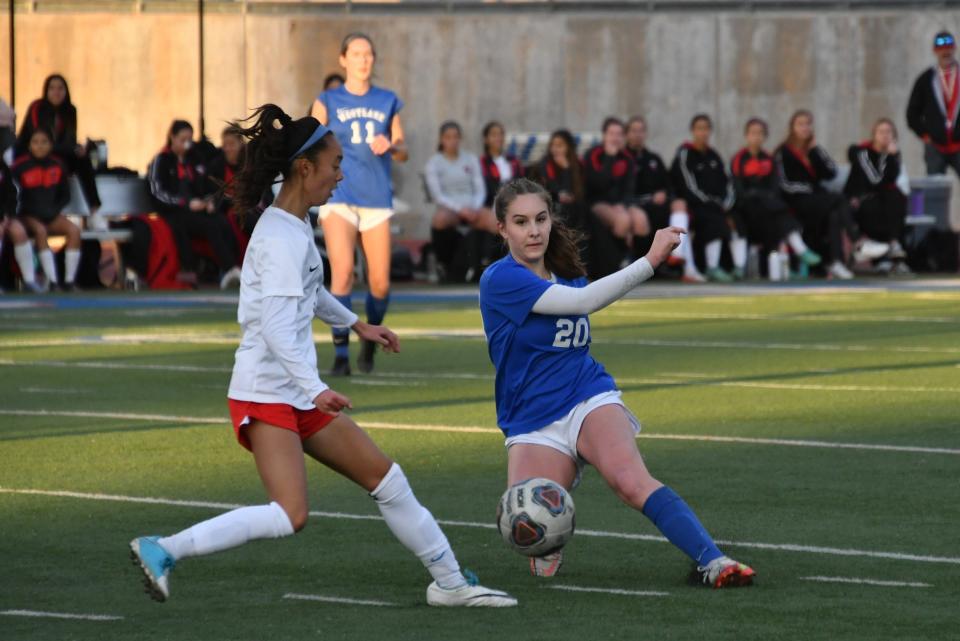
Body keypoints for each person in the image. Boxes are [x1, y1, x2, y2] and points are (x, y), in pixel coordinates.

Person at [129, 104, 516, 609]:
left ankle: (450, 582)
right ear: (305, 168)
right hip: (266, 393)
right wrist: (316, 389)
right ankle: (163, 548)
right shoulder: (280, 235)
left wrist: (357, 324)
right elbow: (273, 330)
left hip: (298, 391)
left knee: (386, 478)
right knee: (291, 514)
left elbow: (311, 291)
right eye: (335, 165)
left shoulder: (293, 221)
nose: (340, 175)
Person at [478, 177, 755, 587]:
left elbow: (579, 299)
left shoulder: (566, 269)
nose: (534, 230)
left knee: (631, 482)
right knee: (526, 525)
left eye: (540, 218)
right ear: (502, 229)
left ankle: (713, 561)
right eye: (520, 222)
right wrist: (650, 261)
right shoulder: (500, 280)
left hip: (587, 394)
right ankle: (556, 514)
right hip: (531, 418)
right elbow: (582, 303)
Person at [310, 33, 407, 377]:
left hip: (376, 196)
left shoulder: (387, 99)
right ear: (343, 59)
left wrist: (391, 145)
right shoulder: (327, 99)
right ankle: (340, 353)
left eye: (368, 54)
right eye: (356, 53)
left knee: (380, 283)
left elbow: (402, 148)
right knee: (344, 272)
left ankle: (370, 335)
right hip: (340, 196)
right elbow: (311, 142)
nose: (363, 60)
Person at [774, 110, 889, 280]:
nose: (805, 128)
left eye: (808, 124)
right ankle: (858, 242)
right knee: (838, 199)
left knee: (835, 214)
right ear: (792, 127)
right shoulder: (783, 152)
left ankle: (837, 262)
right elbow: (784, 183)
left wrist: (815, 151)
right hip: (797, 201)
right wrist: (809, 189)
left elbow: (831, 172)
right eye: (800, 124)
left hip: (817, 201)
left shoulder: (813, 150)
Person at [148, 119, 241, 289]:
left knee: (221, 221)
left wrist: (210, 201)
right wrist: (186, 203)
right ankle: (229, 269)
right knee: (209, 225)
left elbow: (206, 185)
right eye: (182, 139)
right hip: (174, 212)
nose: (186, 144)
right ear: (172, 137)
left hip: (196, 210)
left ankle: (229, 268)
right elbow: (158, 192)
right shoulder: (161, 160)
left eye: (189, 139)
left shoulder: (194, 159)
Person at [730, 118, 820, 269]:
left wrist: (766, 197)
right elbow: (738, 189)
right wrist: (757, 195)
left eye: (760, 133)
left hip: (768, 208)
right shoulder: (739, 159)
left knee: (780, 214)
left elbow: (774, 187)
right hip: (747, 209)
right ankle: (740, 266)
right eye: (753, 133)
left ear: (765, 136)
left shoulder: (769, 159)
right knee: (774, 212)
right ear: (746, 135)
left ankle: (796, 255)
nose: (756, 137)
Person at [624, 116, 702, 281]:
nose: (638, 135)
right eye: (634, 131)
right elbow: (624, 193)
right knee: (639, 219)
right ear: (627, 134)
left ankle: (678, 256)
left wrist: (664, 195)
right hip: (637, 207)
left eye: (641, 131)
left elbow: (669, 187)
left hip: (659, 207)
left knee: (680, 204)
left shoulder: (654, 159)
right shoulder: (623, 159)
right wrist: (650, 198)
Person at [670, 114, 746, 281]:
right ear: (693, 131)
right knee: (715, 220)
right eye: (699, 128)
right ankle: (712, 267)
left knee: (736, 219)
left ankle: (739, 268)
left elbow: (729, 183)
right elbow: (688, 186)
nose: (703, 132)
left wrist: (725, 205)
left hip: (719, 206)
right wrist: (712, 204)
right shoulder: (685, 153)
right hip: (696, 206)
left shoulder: (715, 156)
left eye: (706, 128)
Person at [15, 74, 101, 213]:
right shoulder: (38, 107)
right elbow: (39, 141)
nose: (56, 92)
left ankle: (94, 209)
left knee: (83, 159)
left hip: (57, 154)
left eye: (60, 88)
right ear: (46, 91)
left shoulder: (70, 110)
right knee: (60, 154)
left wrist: (79, 149)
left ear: (66, 91)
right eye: (52, 88)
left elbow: (70, 140)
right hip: (32, 154)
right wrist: (72, 149)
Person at [11, 128, 81, 291]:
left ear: (51, 145)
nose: (40, 146)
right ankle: (52, 280)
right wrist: (30, 212)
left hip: (52, 214)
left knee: (74, 230)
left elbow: (65, 195)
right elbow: (15, 196)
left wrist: (54, 210)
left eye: (44, 142)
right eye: (35, 142)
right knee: (40, 231)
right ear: (29, 145)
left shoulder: (58, 165)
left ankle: (69, 281)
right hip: (28, 215)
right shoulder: (19, 167)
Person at [424, 120, 492, 280]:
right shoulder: (434, 163)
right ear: (441, 139)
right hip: (451, 209)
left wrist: (474, 208)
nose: (452, 141)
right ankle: (443, 263)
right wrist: (460, 210)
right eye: (448, 137)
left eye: (456, 137)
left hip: (472, 207)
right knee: (439, 220)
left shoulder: (470, 159)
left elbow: (479, 187)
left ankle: (491, 263)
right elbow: (437, 195)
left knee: (496, 221)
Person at [845, 118, 910, 273]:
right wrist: (890, 157)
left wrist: (891, 157)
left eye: (889, 132)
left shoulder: (892, 156)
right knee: (883, 204)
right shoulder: (863, 153)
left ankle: (892, 248)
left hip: (882, 200)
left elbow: (894, 181)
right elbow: (875, 181)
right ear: (873, 135)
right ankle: (889, 253)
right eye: (881, 132)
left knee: (895, 197)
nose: (885, 136)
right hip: (861, 199)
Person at [583, 117, 649, 258]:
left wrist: (623, 204)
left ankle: (640, 262)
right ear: (604, 135)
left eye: (619, 134)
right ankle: (618, 261)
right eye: (611, 134)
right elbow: (598, 185)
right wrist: (609, 158)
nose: (615, 138)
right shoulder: (594, 155)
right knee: (623, 220)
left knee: (641, 219)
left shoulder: (627, 158)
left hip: (620, 204)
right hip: (597, 202)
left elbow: (629, 188)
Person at [907, 31, 960, 176]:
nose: (946, 51)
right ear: (935, 51)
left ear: (954, 48)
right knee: (934, 188)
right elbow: (912, 113)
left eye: (949, 47)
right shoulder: (926, 79)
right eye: (941, 49)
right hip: (935, 146)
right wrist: (924, 134)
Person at [0, 156, 41, 293]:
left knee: (19, 232)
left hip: (4, 216)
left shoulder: (2, 165)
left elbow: (11, 193)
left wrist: (7, 215)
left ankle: (29, 280)